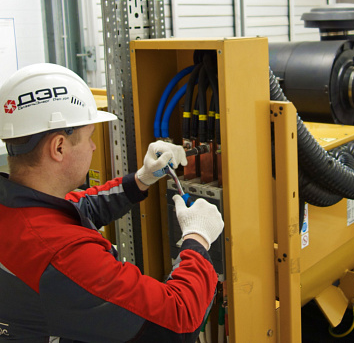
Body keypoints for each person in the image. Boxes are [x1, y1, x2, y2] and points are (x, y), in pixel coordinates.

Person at [0, 63, 224, 342]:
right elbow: (179, 320)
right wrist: (198, 239)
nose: (94, 147)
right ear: (59, 147)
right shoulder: (62, 256)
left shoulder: (17, 208)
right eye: (89, 137)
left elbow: (80, 207)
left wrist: (141, 179)